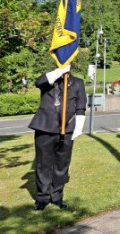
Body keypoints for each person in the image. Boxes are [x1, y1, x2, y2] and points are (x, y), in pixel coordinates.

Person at [28, 65, 87, 210]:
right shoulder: (49, 79)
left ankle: (57, 197)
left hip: (67, 130)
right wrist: (59, 72)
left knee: (62, 165)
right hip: (45, 128)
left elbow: (81, 107)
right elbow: (38, 82)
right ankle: (42, 198)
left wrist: (78, 128)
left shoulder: (78, 82)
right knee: (43, 164)